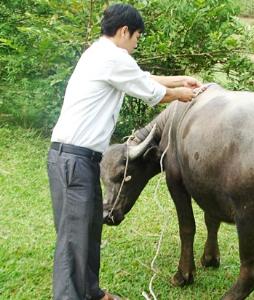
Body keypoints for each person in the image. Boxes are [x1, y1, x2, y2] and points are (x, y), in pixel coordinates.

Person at [47, 3, 201, 300]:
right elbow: (154, 94)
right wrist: (183, 94)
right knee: (72, 240)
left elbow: (142, 78)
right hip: (72, 160)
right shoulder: (112, 57)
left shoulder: (101, 53)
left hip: (79, 160)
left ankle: (92, 292)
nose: (136, 44)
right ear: (124, 31)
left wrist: (181, 80)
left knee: (89, 232)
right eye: (137, 37)